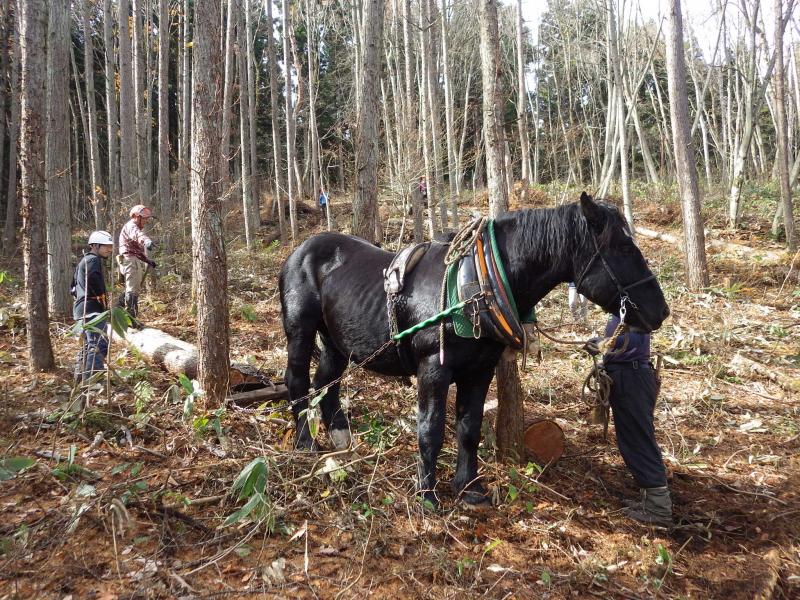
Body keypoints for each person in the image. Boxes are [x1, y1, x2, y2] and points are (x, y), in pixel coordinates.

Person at [585, 315, 673, 526]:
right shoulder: (625, 310)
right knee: (632, 440)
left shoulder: (635, 308)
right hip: (628, 376)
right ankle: (649, 499)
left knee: (638, 440)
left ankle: (659, 508)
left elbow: (629, 341)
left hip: (631, 378)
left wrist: (600, 342)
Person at [72, 230, 114, 384]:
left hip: (82, 308)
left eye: (110, 246)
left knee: (89, 344)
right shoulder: (92, 261)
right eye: (106, 246)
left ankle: (81, 377)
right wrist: (101, 298)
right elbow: (95, 280)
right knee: (99, 343)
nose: (109, 249)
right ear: (95, 246)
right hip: (91, 309)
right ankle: (93, 381)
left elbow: (73, 287)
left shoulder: (84, 261)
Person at [117, 204, 156, 325]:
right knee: (132, 290)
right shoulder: (131, 226)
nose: (145, 221)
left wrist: (147, 260)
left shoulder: (135, 227)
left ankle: (117, 311)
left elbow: (137, 251)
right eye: (143, 218)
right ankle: (130, 320)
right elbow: (138, 235)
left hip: (132, 259)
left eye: (146, 218)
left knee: (133, 288)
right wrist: (146, 241)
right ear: (135, 217)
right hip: (130, 260)